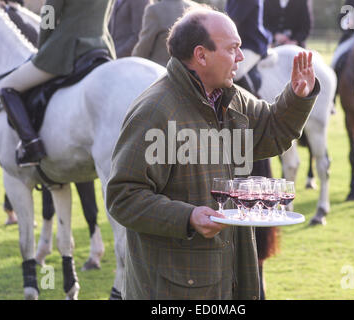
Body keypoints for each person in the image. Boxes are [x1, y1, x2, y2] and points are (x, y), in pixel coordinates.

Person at [106, 6, 320, 300]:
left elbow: (273, 131)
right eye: (233, 49)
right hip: (171, 290)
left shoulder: (234, 100)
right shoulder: (154, 112)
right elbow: (123, 197)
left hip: (231, 278)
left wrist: (296, 97)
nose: (241, 57)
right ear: (201, 55)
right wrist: (188, 217)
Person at [0, 0, 116, 167]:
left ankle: (32, 146)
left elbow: (49, 13)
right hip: (101, 47)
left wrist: (43, 47)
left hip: (65, 48)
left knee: (8, 86)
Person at [131, 0, 198, 67]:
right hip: (188, 72)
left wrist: (131, 63)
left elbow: (144, 46)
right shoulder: (195, 8)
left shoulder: (154, 10)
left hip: (159, 72)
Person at [225, 0, 272, 92]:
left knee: (235, 71)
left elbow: (232, 22)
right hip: (235, 42)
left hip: (251, 44)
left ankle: (250, 102)